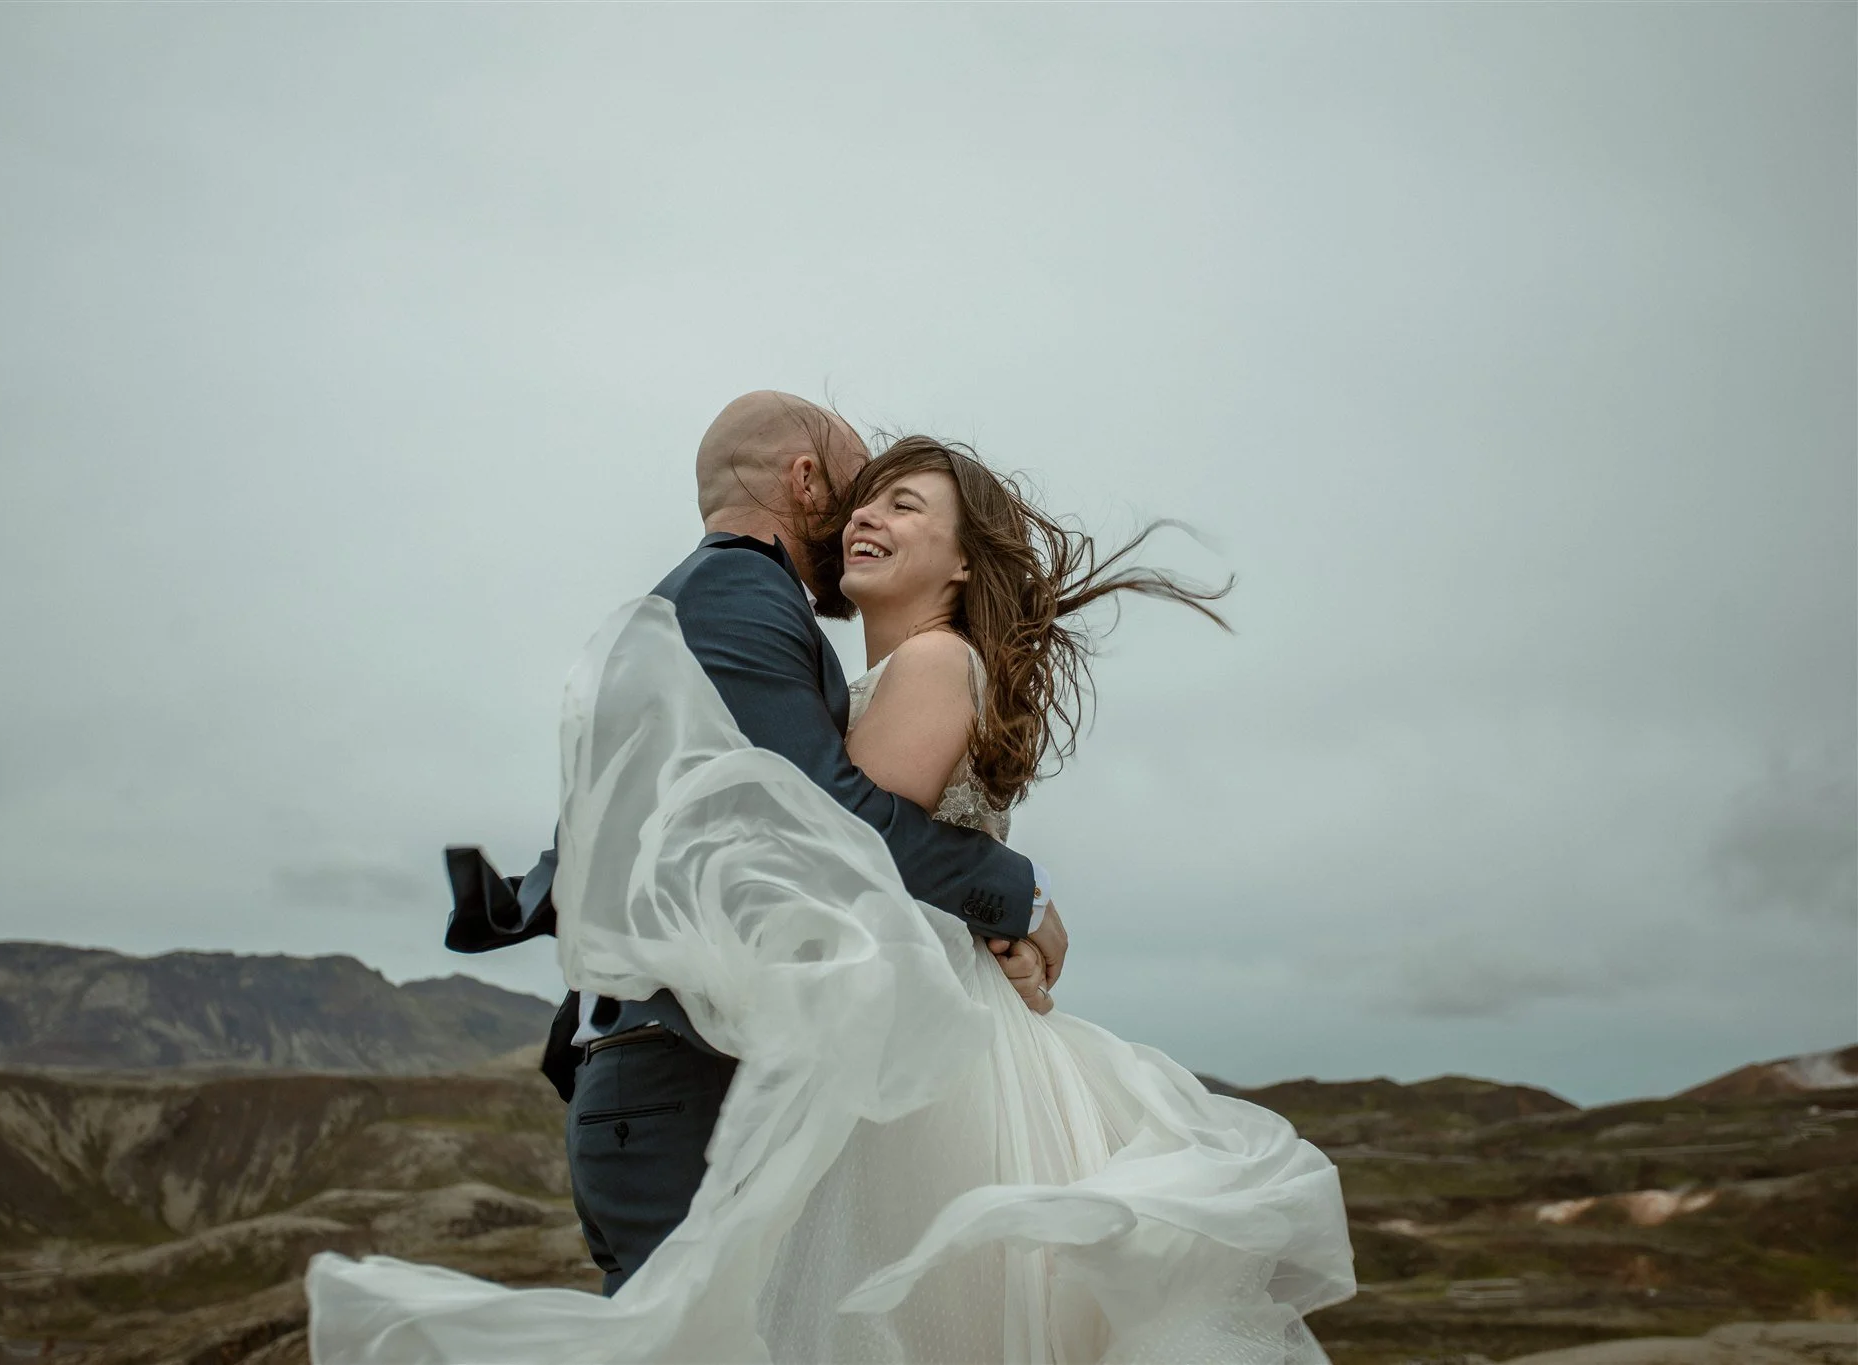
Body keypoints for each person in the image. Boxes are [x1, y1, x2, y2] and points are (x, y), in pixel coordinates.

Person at [308, 424, 1355, 1364]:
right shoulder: (855, 658)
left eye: (905, 504)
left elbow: (839, 838)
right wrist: (1014, 899)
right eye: (868, 496)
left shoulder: (928, 664)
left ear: (959, 562)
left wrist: (1008, 899)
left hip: (922, 1064)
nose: (866, 514)